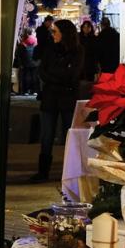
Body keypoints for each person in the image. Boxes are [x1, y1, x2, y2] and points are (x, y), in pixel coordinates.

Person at [31, 18, 83, 183]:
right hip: (50, 98)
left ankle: (72, 172)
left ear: (64, 33)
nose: (52, 34)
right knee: (47, 135)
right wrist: (60, 74)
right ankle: (43, 171)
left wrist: (54, 75)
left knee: (70, 135)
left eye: (55, 31)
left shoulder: (77, 51)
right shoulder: (50, 49)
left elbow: (73, 75)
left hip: (67, 98)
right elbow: (42, 72)